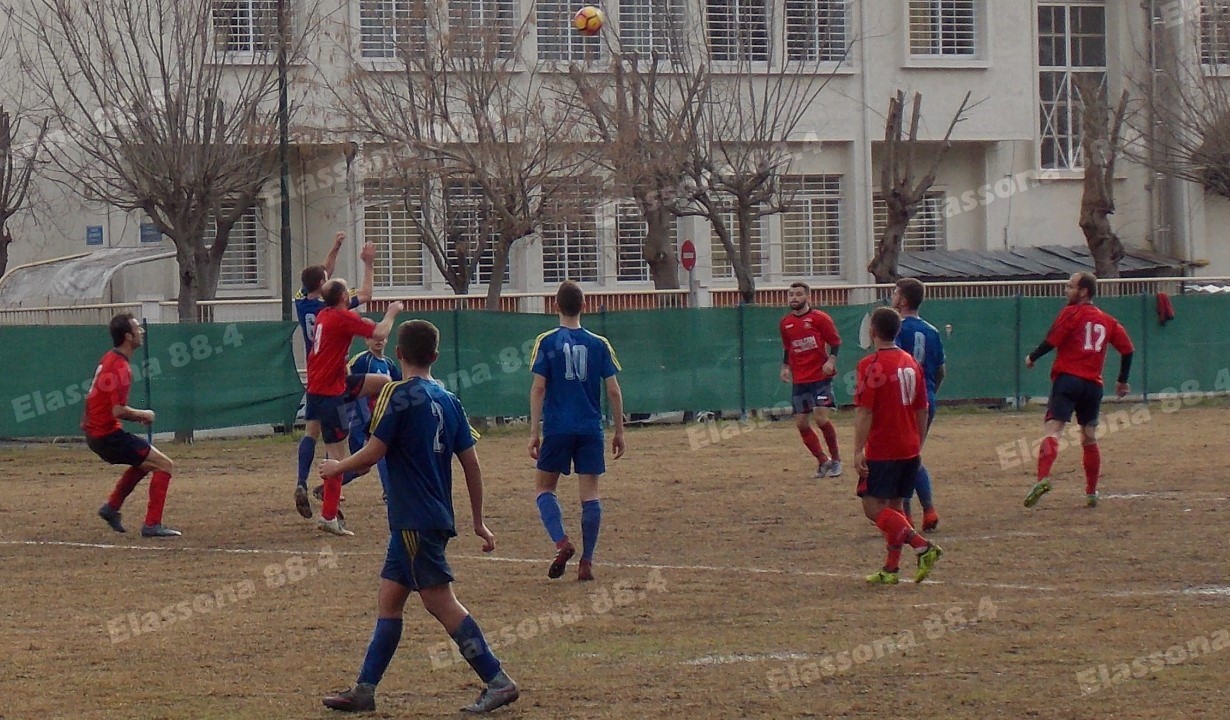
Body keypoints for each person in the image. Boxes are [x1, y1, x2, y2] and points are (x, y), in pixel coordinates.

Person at [319, 319, 519, 714]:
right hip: (430, 516)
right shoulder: (449, 399)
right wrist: (478, 520)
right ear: (435, 356)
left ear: (398, 354)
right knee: (390, 600)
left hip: (414, 517)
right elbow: (472, 464)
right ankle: (364, 690)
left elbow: (374, 452)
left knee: (440, 601)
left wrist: (336, 467)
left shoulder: (396, 393)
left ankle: (498, 680)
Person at [528, 280, 625, 582]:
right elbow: (614, 391)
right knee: (590, 495)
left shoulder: (546, 342)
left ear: (555, 306)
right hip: (589, 428)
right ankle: (587, 561)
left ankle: (562, 543)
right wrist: (619, 431)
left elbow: (539, 388)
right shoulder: (599, 344)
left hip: (557, 427)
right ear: (585, 306)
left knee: (544, 489)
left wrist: (534, 432)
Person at [1024, 272, 1134, 508]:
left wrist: (1032, 357)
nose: (1066, 290)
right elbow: (1128, 349)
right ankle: (1092, 492)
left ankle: (1043, 478)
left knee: (1053, 430)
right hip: (1093, 386)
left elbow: (1052, 340)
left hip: (1068, 380)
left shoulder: (1071, 313)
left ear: (1084, 291)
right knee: (1089, 437)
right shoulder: (1107, 320)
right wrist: (1122, 380)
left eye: (1070, 286)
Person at [854, 307, 943, 585]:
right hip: (909, 447)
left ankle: (922, 546)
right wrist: (917, 442)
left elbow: (865, 411)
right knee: (895, 507)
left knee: (872, 507)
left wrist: (857, 450)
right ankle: (891, 569)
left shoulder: (870, 365)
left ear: (872, 332)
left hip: (884, 448)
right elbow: (922, 408)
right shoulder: (910, 362)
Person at [307, 278, 403, 536]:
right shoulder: (340, 317)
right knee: (337, 459)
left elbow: (361, 301)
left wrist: (368, 266)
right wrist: (391, 313)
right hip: (328, 394)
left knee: (383, 382)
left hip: (328, 385)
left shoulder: (326, 313)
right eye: (346, 289)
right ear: (342, 298)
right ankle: (328, 516)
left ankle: (373, 427)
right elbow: (380, 333)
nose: (351, 293)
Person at [293, 231, 376, 519]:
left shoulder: (302, 302)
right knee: (338, 445)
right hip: (334, 376)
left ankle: (302, 482)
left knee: (311, 433)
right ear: (324, 285)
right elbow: (365, 294)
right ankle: (332, 500)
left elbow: (322, 273)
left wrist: (335, 247)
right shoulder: (331, 310)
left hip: (315, 374)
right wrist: (368, 264)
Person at [86, 314, 180, 538]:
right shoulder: (120, 367)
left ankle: (111, 508)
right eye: (138, 329)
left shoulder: (110, 358)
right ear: (128, 336)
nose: (142, 332)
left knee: (145, 463)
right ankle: (152, 525)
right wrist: (143, 414)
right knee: (164, 465)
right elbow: (118, 410)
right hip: (107, 436)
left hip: (97, 433)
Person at [892, 278, 946, 531]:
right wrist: (930, 392)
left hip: (902, 400)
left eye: (895, 293)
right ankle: (929, 509)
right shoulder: (932, 330)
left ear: (903, 300)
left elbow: (894, 363)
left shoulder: (895, 329)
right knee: (913, 455)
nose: (892, 296)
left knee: (900, 458)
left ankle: (906, 515)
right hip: (925, 399)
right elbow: (941, 370)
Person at [779, 281, 843, 478]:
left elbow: (835, 342)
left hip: (820, 377)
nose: (794, 298)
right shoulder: (785, 323)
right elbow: (788, 347)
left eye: (798, 294)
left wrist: (831, 360)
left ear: (807, 296)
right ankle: (823, 461)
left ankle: (836, 460)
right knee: (801, 423)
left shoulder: (820, 318)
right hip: (800, 380)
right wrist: (785, 367)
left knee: (821, 418)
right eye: (791, 295)